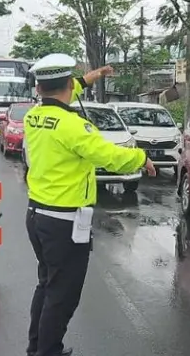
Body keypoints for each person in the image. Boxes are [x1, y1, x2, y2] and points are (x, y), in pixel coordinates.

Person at [24, 53, 156, 356]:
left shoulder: (34, 116)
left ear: (40, 88)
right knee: (62, 295)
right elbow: (108, 156)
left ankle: (37, 349)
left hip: (37, 214)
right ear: (68, 84)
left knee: (46, 285)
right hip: (64, 222)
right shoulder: (74, 126)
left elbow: (62, 93)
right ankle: (47, 352)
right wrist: (141, 158)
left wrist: (89, 77)